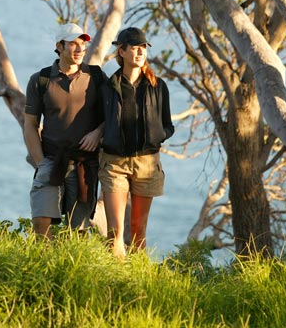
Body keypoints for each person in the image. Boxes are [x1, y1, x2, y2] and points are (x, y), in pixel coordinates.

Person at [23, 23, 106, 239]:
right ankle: (44, 265)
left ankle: (66, 269)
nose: (79, 50)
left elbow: (113, 114)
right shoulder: (40, 80)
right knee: (40, 221)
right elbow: (30, 124)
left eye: (83, 45)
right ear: (59, 46)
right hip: (51, 160)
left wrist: (98, 132)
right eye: (73, 44)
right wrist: (41, 162)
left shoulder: (96, 77)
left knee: (77, 232)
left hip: (84, 164)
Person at [99, 27, 174, 257]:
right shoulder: (107, 87)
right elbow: (101, 119)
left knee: (139, 230)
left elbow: (167, 124)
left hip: (147, 164)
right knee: (115, 231)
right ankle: (115, 279)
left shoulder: (157, 86)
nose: (140, 52)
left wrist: (155, 136)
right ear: (121, 51)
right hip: (115, 163)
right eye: (134, 47)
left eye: (143, 47)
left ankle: (136, 279)